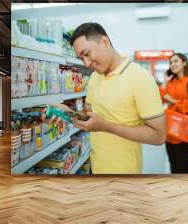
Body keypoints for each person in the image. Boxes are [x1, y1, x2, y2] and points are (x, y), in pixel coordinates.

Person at [66, 22, 166, 174]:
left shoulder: (140, 78)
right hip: (96, 166)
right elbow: (90, 113)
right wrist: (66, 114)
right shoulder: (94, 77)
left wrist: (106, 126)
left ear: (104, 42)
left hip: (125, 174)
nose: (86, 63)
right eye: (81, 58)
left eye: (87, 54)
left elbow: (159, 136)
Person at [160, 53, 188, 173]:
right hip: (169, 131)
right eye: (171, 62)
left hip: (185, 129)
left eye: (176, 61)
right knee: (173, 163)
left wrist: (171, 100)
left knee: (181, 165)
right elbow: (158, 98)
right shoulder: (170, 83)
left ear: (184, 63)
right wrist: (165, 81)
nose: (172, 64)